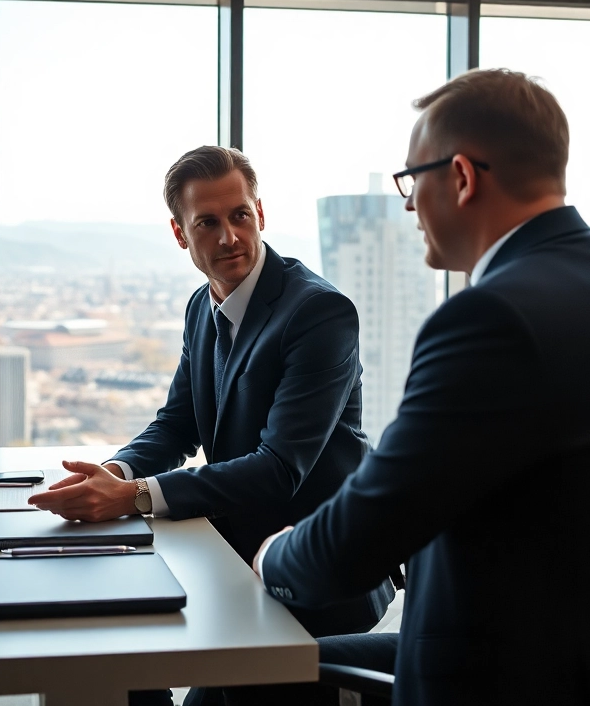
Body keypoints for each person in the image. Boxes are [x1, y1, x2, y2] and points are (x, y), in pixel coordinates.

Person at [254, 69, 590, 705]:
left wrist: (274, 557)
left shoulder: (491, 318)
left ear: (463, 177)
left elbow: (359, 539)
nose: (410, 204)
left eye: (412, 180)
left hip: (521, 676)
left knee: (246, 669)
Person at [28, 145, 392, 705]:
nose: (229, 237)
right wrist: (109, 471)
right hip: (234, 563)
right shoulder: (204, 306)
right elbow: (177, 425)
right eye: (209, 223)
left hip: (310, 583)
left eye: (240, 216)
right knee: (122, 651)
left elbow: (278, 470)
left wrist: (133, 496)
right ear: (180, 234)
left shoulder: (319, 313)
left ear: (261, 214)